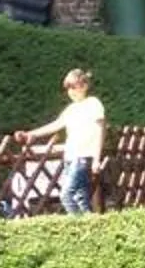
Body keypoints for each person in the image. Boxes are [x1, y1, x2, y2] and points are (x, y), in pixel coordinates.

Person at [19, 68, 109, 214]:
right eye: (68, 88)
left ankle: (76, 223)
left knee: (66, 195)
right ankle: (90, 224)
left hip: (83, 157)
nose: (71, 91)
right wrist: (31, 134)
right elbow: (56, 124)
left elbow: (100, 131)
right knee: (80, 197)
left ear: (85, 86)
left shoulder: (93, 104)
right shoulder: (71, 109)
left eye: (75, 87)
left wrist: (96, 159)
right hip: (70, 157)